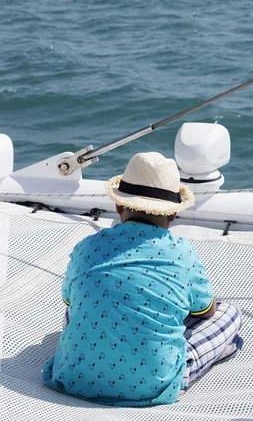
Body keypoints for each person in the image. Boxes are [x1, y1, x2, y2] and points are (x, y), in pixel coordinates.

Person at [43, 152, 242, 406]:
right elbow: (207, 311)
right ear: (172, 214)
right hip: (151, 387)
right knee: (229, 314)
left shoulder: (87, 246)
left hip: (73, 378)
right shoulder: (182, 252)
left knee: (83, 308)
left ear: (118, 205)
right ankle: (210, 353)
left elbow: (69, 302)